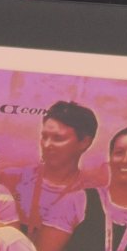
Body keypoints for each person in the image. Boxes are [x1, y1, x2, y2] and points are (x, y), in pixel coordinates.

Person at [6, 100, 103, 233]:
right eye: (44, 137)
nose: (47, 145)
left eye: (58, 138)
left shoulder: (92, 196)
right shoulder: (12, 179)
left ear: (84, 142)